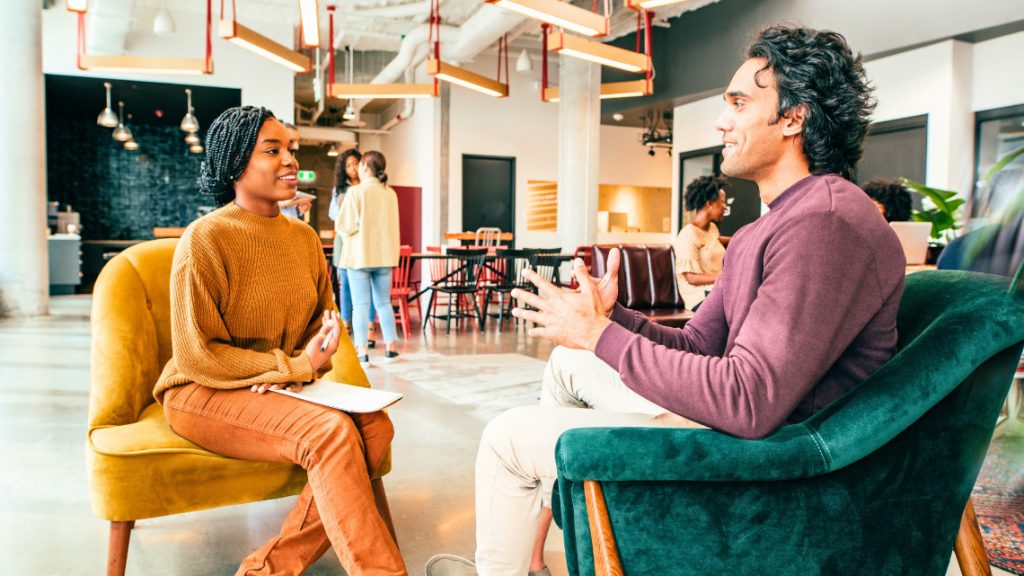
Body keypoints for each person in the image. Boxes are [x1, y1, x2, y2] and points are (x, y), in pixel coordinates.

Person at [427, 24, 905, 576]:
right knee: (566, 364)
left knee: (506, 438)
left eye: (739, 103)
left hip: (770, 462)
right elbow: (699, 344)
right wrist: (612, 318)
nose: (722, 121)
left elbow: (750, 402)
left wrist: (600, 335)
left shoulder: (824, 223)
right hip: (746, 429)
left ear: (794, 117)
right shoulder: (767, 227)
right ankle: (544, 551)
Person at [154, 106, 406, 575]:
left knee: (375, 426)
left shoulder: (304, 238)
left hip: (276, 383)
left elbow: (320, 320)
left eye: (290, 148)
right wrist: (291, 368)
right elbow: (197, 354)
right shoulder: (205, 239)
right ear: (235, 164)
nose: (290, 160)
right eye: (272, 150)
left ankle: (267, 569)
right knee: (329, 433)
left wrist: (320, 346)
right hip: (200, 390)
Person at [336, 150, 401, 365]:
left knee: (361, 306)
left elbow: (344, 226)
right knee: (384, 303)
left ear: (365, 167)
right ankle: (391, 347)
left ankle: (362, 351)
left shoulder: (355, 192)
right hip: (384, 256)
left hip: (360, 257)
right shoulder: (390, 194)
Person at [674, 175, 729, 310]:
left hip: (718, 291)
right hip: (698, 296)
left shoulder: (712, 229)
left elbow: (712, 241)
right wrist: (726, 277)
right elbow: (691, 278)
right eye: (722, 202)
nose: (725, 206)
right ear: (709, 204)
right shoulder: (687, 235)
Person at [277, 123, 314, 220]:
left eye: (297, 141)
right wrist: (293, 202)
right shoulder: (272, 164)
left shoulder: (292, 160)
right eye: (292, 140)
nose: (297, 146)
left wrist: (300, 209)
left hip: (290, 225)